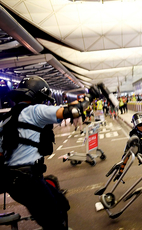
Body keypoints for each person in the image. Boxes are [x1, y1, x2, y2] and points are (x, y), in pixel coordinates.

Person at [0, 76, 87, 230]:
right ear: (37, 96)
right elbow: (73, 111)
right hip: (28, 181)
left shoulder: (6, 119)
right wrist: (90, 98)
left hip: (13, 181)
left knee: (61, 203)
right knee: (53, 222)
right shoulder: (36, 110)